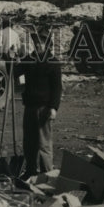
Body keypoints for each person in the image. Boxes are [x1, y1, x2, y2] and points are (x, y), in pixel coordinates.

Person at [17, 24, 62, 177]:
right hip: (29, 107)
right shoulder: (29, 60)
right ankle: (30, 170)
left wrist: (53, 107)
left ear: (48, 45)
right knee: (29, 142)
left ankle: (46, 174)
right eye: (36, 42)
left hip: (44, 108)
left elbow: (57, 88)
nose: (38, 45)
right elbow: (14, 72)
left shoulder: (53, 63)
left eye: (41, 42)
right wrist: (11, 58)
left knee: (44, 143)